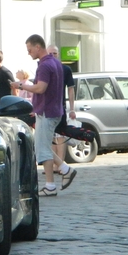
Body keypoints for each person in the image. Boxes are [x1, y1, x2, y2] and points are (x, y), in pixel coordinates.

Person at [10, 34, 76, 197]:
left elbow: (40, 88)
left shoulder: (45, 66)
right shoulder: (56, 63)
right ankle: (65, 170)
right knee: (43, 146)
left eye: (30, 49)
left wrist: (20, 85)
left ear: (38, 47)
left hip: (47, 112)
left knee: (42, 149)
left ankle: (50, 185)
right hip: (53, 110)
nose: (28, 53)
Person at [47, 45, 77, 175]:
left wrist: (72, 108)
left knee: (60, 136)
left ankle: (61, 164)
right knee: (51, 137)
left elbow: (70, 89)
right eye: (50, 53)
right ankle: (54, 165)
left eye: (54, 53)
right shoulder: (44, 68)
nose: (52, 55)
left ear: (58, 54)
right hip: (47, 108)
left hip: (60, 107)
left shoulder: (65, 69)